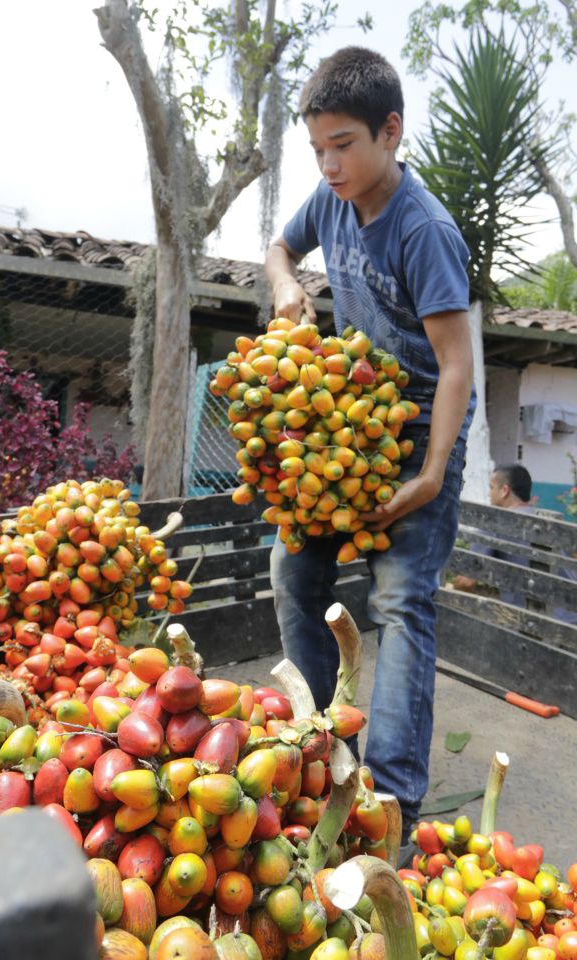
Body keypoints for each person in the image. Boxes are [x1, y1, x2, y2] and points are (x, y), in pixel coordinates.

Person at [264, 46, 475, 849]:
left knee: (398, 603)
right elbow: (282, 250)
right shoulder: (328, 201)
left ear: (390, 132)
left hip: (421, 429)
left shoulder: (424, 231)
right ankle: (321, 750)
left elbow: (458, 365)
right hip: (349, 424)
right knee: (296, 567)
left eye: (344, 144)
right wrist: (289, 285)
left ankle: (393, 802)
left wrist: (428, 477)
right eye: (318, 148)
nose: (329, 164)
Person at [453, 464, 577, 622]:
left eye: (491, 488)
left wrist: (451, 590)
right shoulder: (546, 523)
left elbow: (466, 581)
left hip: (537, 622)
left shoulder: (495, 521)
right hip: (571, 616)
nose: (489, 494)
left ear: (504, 490)